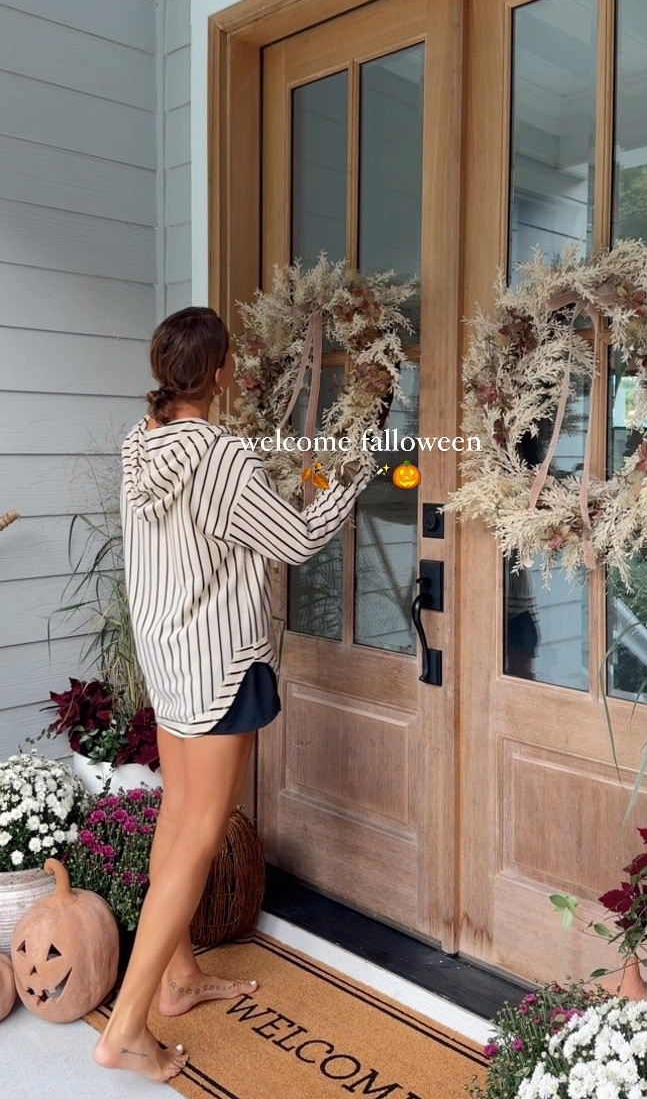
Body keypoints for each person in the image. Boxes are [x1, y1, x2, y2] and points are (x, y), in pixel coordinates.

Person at [94, 306, 374, 1082]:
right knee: (197, 837)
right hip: (216, 663)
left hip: (169, 658)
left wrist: (303, 468)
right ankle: (124, 1028)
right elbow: (294, 539)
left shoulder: (140, 443)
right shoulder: (221, 454)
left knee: (178, 819)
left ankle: (178, 977)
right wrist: (349, 473)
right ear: (219, 372)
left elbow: (234, 512)